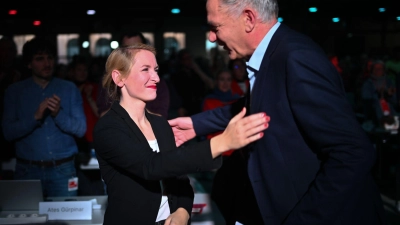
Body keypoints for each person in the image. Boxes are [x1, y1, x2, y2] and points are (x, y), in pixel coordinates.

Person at [168, 0, 387, 224]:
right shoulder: (273, 53)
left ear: (248, 19)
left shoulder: (296, 57)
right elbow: (258, 104)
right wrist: (197, 125)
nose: (212, 37)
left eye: (216, 27)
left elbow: (353, 152)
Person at [92, 43, 269, 225]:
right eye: (146, 69)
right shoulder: (109, 128)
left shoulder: (160, 123)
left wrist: (183, 211)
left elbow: (180, 178)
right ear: (119, 78)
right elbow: (150, 166)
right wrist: (220, 143)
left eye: (156, 70)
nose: (156, 78)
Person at [2, 37, 86, 197]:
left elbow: (81, 129)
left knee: (67, 220)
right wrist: (35, 118)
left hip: (63, 170)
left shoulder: (68, 88)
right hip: (27, 170)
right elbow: (8, 132)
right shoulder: (14, 92)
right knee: (26, 220)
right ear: (29, 63)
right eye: (39, 59)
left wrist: (58, 114)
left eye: (49, 58)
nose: (47, 63)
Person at [96, 30, 170, 118]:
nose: (133, 53)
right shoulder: (109, 82)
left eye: (138, 47)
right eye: (127, 48)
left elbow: (161, 118)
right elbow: (103, 116)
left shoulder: (157, 83)